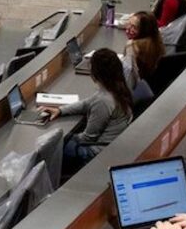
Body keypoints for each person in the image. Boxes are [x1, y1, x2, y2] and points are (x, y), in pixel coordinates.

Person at [40, 49, 133, 178]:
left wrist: (66, 138)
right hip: (109, 146)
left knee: (49, 148)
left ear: (95, 73)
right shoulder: (117, 87)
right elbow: (87, 103)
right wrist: (61, 110)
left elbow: (88, 138)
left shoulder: (104, 100)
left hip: (96, 152)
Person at [122, 11, 164, 89]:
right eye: (129, 24)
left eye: (134, 27)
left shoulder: (132, 46)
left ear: (144, 31)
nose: (127, 29)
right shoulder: (157, 43)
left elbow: (128, 77)